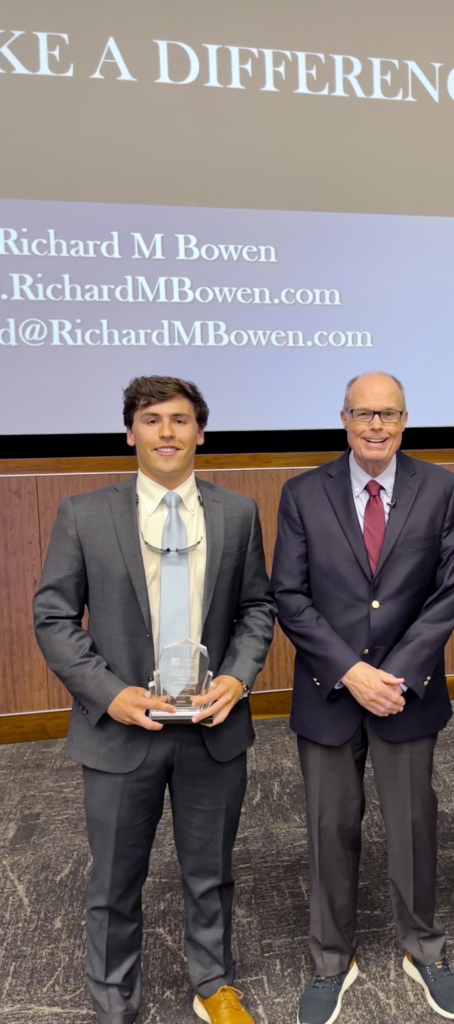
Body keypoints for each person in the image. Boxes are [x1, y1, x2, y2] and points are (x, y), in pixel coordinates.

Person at [33, 376, 276, 1024]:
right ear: (130, 432)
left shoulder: (237, 513)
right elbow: (54, 618)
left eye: (179, 420)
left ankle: (213, 983)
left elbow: (257, 609)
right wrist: (110, 696)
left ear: (201, 432)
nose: (166, 432)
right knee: (115, 879)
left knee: (211, 871)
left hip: (212, 727)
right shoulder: (83, 514)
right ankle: (114, 999)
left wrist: (238, 676)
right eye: (151, 419)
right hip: (120, 732)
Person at [271, 371, 454, 1024]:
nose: (377, 426)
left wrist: (398, 674)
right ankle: (332, 959)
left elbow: (449, 593)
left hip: (407, 694)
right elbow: (290, 597)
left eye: (388, 414)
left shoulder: (442, 489)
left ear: (406, 419)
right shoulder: (303, 493)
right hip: (329, 692)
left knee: (414, 826)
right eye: (364, 415)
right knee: (331, 830)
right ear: (344, 419)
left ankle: (423, 949)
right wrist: (350, 672)